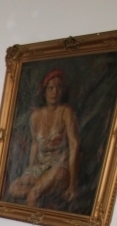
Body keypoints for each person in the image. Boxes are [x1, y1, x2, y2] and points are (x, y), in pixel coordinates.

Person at [7, 69, 79, 207]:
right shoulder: (35, 116)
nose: (54, 92)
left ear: (62, 91)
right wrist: (30, 169)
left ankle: (37, 195)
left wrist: (72, 185)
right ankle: (41, 191)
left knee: (33, 194)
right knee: (13, 189)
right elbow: (35, 144)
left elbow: (74, 144)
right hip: (41, 166)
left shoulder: (65, 112)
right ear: (44, 91)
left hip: (59, 166)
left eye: (58, 88)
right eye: (50, 88)